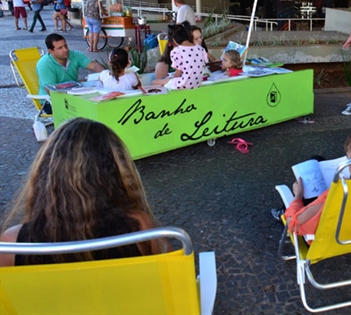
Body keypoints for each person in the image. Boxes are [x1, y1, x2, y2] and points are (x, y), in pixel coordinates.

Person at [0, 118, 169, 266]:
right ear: (118, 173)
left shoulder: (13, 243)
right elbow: (173, 277)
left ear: (46, 173)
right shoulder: (138, 229)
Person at [36, 33, 104, 97]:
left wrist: (105, 73)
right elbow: (50, 91)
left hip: (73, 93)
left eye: (65, 45)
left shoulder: (75, 55)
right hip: (50, 101)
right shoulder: (45, 64)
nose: (65, 49)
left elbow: (94, 65)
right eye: (60, 48)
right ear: (51, 51)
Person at [154, 23, 208, 90]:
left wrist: (173, 78)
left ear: (173, 40)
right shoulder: (201, 49)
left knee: (154, 82)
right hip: (197, 83)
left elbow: (178, 73)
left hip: (182, 84)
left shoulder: (177, 51)